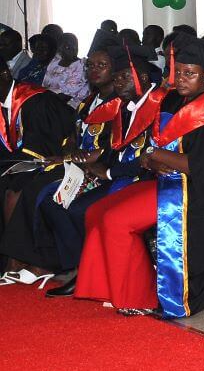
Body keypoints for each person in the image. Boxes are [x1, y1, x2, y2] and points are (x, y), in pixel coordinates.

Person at [75, 34, 204, 317]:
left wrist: (155, 157)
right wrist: (152, 160)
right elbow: (156, 152)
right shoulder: (175, 103)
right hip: (169, 181)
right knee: (99, 210)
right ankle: (107, 287)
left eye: (189, 73)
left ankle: (139, 296)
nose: (180, 79)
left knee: (117, 220)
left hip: (200, 192)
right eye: (177, 72)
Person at [0, 30, 123, 287]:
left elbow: (115, 146)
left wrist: (88, 158)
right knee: (28, 183)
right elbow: (74, 135)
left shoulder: (121, 104)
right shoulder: (90, 101)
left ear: (116, 69)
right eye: (90, 65)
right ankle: (28, 259)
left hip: (103, 170)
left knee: (35, 188)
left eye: (102, 66)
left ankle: (42, 261)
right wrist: (67, 153)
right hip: (76, 163)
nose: (93, 70)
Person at [42, 42, 165, 298]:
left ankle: (96, 273)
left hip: (148, 179)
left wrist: (107, 172)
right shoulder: (124, 105)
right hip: (120, 173)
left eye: (123, 77)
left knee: (82, 209)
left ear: (142, 77)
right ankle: (87, 271)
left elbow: (150, 155)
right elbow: (114, 147)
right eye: (117, 78)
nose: (119, 84)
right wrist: (94, 165)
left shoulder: (160, 106)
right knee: (65, 204)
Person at [42, 33, 89, 106]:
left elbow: (67, 95)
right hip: (49, 101)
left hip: (68, 107)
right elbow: (44, 84)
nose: (73, 49)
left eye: (75, 46)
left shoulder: (81, 66)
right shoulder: (55, 62)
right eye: (67, 47)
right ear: (60, 47)